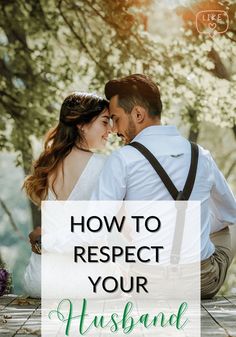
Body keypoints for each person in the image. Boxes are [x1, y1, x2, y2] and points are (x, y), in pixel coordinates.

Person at [91, 73, 236, 299]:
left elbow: (95, 224)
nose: (114, 129)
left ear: (138, 114)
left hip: (147, 284)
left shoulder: (122, 160)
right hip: (201, 283)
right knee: (226, 227)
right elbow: (230, 213)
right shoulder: (201, 156)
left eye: (116, 118)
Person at [23, 92, 112, 298]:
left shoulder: (48, 164)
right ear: (81, 124)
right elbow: (96, 234)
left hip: (40, 282)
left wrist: (43, 240)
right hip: (86, 284)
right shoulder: (105, 166)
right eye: (105, 122)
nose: (111, 129)